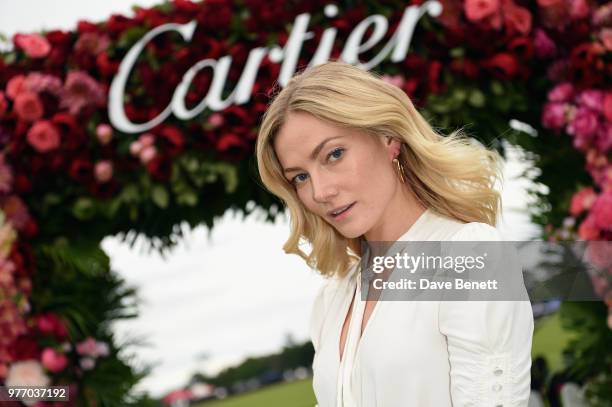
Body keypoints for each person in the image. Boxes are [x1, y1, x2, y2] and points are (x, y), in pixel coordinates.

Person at [255, 61, 534, 407]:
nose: (320, 191)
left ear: (389, 138)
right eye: (300, 177)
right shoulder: (333, 298)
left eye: (334, 154)